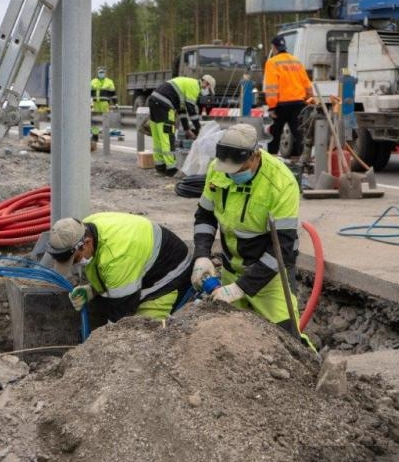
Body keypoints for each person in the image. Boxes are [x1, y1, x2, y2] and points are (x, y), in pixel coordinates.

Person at [191, 123, 312, 347]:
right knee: (229, 340)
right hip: (231, 269)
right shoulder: (218, 170)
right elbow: (205, 216)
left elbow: (282, 249)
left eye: (237, 167)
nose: (231, 173)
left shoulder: (280, 183)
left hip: (270, 276)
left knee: (287, 341)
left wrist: (241, 288)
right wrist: (201, 255)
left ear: (254, 156)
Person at [45, 212, 193, 322]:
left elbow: (121, 316)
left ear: (87, 243)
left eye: (76, 258)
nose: (76, 264)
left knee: (143, 334)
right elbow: (103, 267)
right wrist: (93, 290)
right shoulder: (86, 227)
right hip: (141, 263)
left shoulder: (117, 256)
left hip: (170, 274)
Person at [147, 74, 215, 177]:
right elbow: (191, 111)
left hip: (153, 100)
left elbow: (182, 111)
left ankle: (160, 167)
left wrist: (187, 129)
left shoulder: (186, 84)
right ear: (206, 83)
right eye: (208, 89)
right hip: (165, 105)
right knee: (167, 137)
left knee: (158, 136)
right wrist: (199, 129)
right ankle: (171, 169)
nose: (206, 91)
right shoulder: (195, 86)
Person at [263, 34, 313, 158]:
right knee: (298, 133)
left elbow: (271, 87)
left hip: (281, 105)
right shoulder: (296, 61)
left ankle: (271, 160)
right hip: (298, 103)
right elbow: (307, 83)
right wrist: (309, 98)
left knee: (274, 134)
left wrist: (272, 107)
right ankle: (303, 160)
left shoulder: (272, 62)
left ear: (274, 48)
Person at [90, 66, 116, 149]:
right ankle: (95, 136)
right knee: (95, 121)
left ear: (105, 72)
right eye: (100, 72)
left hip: (105, 103)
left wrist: (116, 103)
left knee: (106, 120)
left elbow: (113, 93)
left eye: (103, 72)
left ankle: (106, 136)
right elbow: (89, 92)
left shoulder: (109, 82)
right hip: (96, 103)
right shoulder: (93, 81)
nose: (101, 73)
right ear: (97, 72)